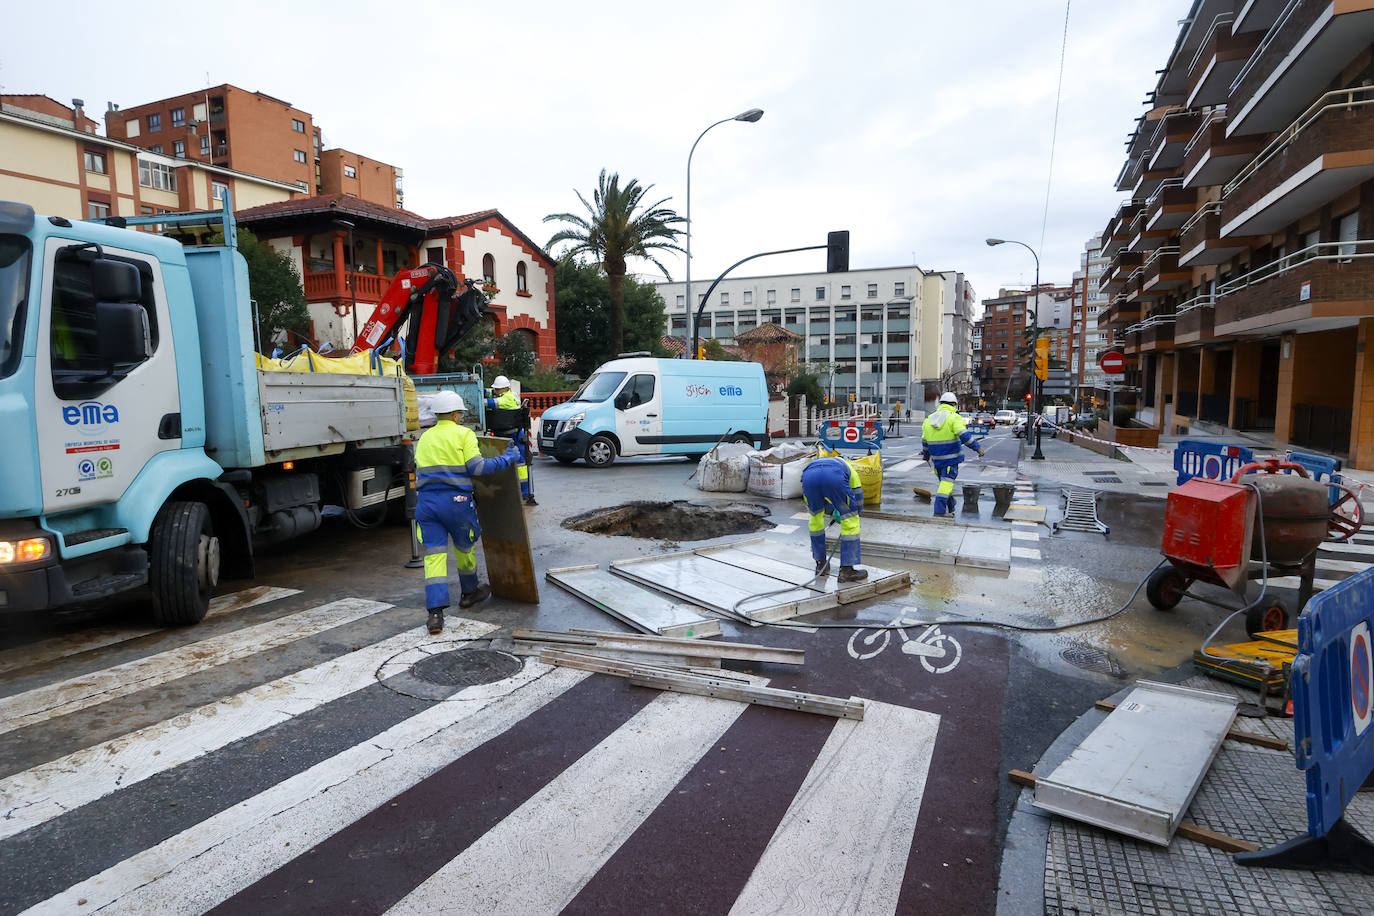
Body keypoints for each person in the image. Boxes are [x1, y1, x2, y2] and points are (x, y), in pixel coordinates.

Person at [414, 390, 523, 634]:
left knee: (434, 558)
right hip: (456, 502)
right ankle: (469, 593)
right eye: (460, 414)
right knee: (464, 550)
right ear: (454, 414)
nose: (461, 417)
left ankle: (435, 615)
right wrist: (508, 458)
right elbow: (478, 467)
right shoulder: (464, 434)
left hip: (427, 504)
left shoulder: (425, 438)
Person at [800, 455, 868, 582]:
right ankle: (847, 571)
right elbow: (857, 500)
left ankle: (821, 564)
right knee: (851, 519)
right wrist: (846, 511)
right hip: (834, 476)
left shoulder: (818, 462)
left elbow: (822, 497)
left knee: (815, 518)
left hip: (808, 477)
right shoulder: (850, 469)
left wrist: (832, 510)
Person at [921, 392, 984, 517]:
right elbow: (964, 435)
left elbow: (924, 441)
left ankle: (951, 506)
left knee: (944, 483)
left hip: (937, 460)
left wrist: (926, 455)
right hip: (950, 459)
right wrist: (977, 448)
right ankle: (939, 512)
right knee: (946, 486)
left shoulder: (929, 419)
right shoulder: (954, 417)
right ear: (954, 404)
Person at [484, 375, 536, 506]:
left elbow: (488, 403)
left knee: (520, 464)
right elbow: (489, 392)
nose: (495, 391)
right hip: (508, 433)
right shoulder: (503, 393)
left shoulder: (507, 399)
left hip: (513, 435)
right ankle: (513, 491)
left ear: (505, 388)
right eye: (495, 389)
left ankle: (524, 493)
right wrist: (480, 389)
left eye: (498, 389)